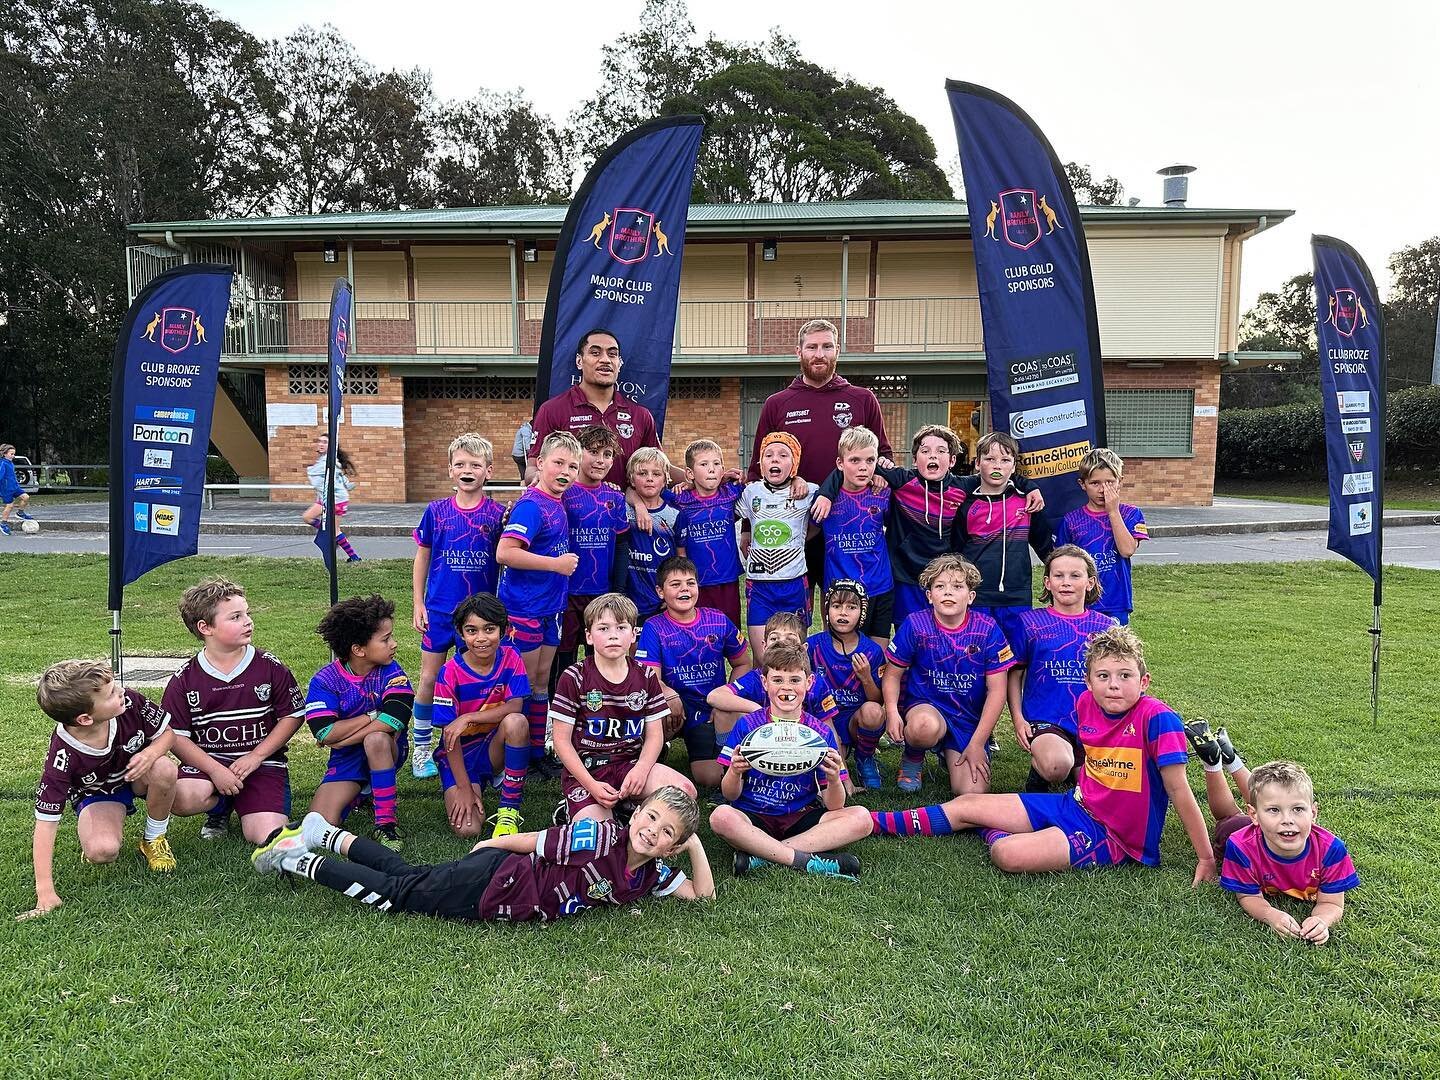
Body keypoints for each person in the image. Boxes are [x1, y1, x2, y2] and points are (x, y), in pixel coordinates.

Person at [870, 626, 1218, 889]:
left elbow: (1179, 792)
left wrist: (1205, 857)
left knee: (1007, 854)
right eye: (1104, 676)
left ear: (1144, 681)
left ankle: (999, 832)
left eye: (1125, 676)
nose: (1114, 685)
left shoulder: (1158, 719)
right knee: (967, 804)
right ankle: (874, 823)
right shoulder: (1085, 704)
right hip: (1074, 806)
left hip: (1115, 838)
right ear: (1088, 681)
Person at [251, 786, 715, 921]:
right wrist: (491, 843)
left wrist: (693, 844)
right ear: (635, 816)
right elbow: (536, 840)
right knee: (398, 896)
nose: (653, 832)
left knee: (410, 875)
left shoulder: (649, 875)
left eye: (667, 832)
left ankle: (322, 834)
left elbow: (702, 895)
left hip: (503, 889)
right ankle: (297, 857)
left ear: (670, 846)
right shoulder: (599, 836)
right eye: (651, 819)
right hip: (498, 880)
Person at [813, 424, 1039, 635]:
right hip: (906, 577)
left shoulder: (963, 486)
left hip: (942, 578)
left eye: (941, 451)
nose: (933, 455)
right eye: (925, 451)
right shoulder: (902, 481)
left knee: (941, 633)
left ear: (951, 460)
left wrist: (1031, 487)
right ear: (915, 459)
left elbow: (996, 472)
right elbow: (848, 464)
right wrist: (826, 493)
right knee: (908, 634)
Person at [747, 319, 893, 605]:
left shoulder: (862, 399)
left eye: (827, 346)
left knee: (840, 609)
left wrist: (881, 473)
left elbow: (884, 454)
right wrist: (747, 528)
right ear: (798, 352)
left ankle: (831, 652)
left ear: (837, 350)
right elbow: (757, 467)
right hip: (795, 521)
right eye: (812, 347)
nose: (819, 354)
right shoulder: (777, 403)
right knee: (795, 610)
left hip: (846, 524)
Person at [24, 661, 179, 918]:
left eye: (115, 685)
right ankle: (97, 830)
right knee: (102, 851)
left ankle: (154, 839)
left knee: (165, 769)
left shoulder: (129, 700)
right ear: (85, 719)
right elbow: (45, 823)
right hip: (100, 793)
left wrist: (150, 754)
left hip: (140, 776)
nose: (120, 692)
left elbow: (168, 735)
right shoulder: (62, 755)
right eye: (110, 694)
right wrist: (45, 893)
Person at [710, 644, 873, 881]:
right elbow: (730, 795)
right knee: (721, 817)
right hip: (754, 815)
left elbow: (834, 805)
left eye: (795, 680)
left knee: (862, 818)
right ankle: (803, 859)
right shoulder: (748, 726)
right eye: (777, 679)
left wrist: (834, 778)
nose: (786, 687)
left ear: (809, 683)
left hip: (800, 816)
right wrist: (734, 772)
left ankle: (762, 855)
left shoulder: (819, 734)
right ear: (765, 683)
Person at [165, 578, 306, 844]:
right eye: (236, 617)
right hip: (209, 766)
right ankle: (219, 807)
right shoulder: (184, 678)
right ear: (205, 627)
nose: (248, 621)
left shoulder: (269, 666)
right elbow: (176, 736)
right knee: (182, 799)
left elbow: (293, 715)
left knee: (266, 836)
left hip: (261, 764)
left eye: (247, 613)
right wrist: (216, 770)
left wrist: (256, 756)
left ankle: (250, 802)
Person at [550, 593, 696, 825]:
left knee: (685, 792)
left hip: (630, 765)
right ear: (588, 636)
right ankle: (577, 808)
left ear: (633, 634)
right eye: (603, 629)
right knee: (600, 837)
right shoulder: (574, 677)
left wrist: (641, 769)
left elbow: (655, 736)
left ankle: (627, 806)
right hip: (589, 771)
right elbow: (561, 741)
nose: (613, 636)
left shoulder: (646, 676)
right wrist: (591, 785)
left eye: (621, 627)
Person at [410, 433, 506, 780]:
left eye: (475, 465)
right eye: (461, 464)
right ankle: (422, 748)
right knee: (430, 677)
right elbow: (422, 557)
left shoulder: (498, 514)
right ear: (450, 470)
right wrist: (418, 602)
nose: (468, 470)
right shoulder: (436, 511)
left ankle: (479, 750)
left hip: (479, 616)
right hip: (439, 610)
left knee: (480, 681)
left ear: (488, 471)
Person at [883, 555, 1014, 795]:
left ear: (970, 596)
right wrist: (891, 711)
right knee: (924, 727)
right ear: (929, 596)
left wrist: (976, 744)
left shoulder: (987, 629)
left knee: (971, 793)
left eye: (957, 586)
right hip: (926, 708)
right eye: (939, 586)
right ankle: (913, 756)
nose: (948, 592)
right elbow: (892, 674)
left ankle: (951, 752)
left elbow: (997, 691)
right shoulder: (915, 624)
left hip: (967, 718)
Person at [497, 430, 581, 772]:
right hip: (524, 608)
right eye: (558, 463)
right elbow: (505, 552)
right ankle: (514, 755)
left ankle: (535, 750)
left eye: (573, 466)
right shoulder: (532, 505)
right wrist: (555, 565)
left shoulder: (556, 501)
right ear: (540, 463)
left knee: (542, 678)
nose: (565, 471)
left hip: (551, 607)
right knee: (523, 681)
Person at [304, 595, 414, 849]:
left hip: (387, 749)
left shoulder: (393, 673)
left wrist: (345, 738)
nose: (394, 644)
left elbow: (393, 720)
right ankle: (361, 793)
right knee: (321, 822)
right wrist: (372, 715)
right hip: (346, 758)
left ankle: (386, 824)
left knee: (376, 739)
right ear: (358, 649)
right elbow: (325, 732)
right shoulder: (325, 680)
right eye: (386, 639)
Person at [1006, 546, 1118, 794]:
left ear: (1090, 582)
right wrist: (1018, 719)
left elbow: (1119, 676)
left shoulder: (1107, 626)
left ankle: (1076, 764)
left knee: (1106, 789)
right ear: (1047, 582)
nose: (1066, 582)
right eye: (1058, 576)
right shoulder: (1029, 622)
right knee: (1057, 766)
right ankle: (1040, 777)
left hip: (1094, 723)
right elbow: (1014, 673)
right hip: (1046, 719)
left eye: (1075, 576)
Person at [1213, 757, 1358, 944]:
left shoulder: (1331, 849)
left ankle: (1230, 759)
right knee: (1228, 819)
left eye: (1297, 809)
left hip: (1264, 830)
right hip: (1233, 831)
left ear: (1313, 813)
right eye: (1274, 810)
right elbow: (1248, 895)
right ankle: (1213, 761)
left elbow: (1332, 903)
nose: (1287, 819)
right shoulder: (1240, 847)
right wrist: (1270, 914)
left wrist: (1322, 920)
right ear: (1254, 815)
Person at [635, 556, 751, 789]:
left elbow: (743, 663)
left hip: (707, 709)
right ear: (660, 591)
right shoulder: (654, 626)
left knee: (709, 779)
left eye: (690, 583)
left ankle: (715, 743)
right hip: (672, 708)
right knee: (650, 710)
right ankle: (653, 749)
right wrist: (670, 695)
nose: (684, 589)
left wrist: (725, 697)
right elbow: (650, 678)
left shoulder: (717, 620)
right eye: (675, 584)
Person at [430, 593, 532, 839]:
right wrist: (464, 787)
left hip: (492, 747)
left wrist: (468, 718)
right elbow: (449, 736)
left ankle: (509, 809)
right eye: (472, 630)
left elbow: (515, 706)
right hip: (457, 753)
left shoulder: (511, 656)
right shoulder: (449, 672)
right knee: (468, 829)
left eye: (489, 629)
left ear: (503, 630)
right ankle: (473, 783)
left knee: (516, 722)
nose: (481, 638)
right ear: (461, 634)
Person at [952, 431, 1054, 651]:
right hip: (976, 597)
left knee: (1016, 661)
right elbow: (956, 552)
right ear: (977, 463)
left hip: (1016, 597)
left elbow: (1046, 548)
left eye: (1005, 460)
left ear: (1014, 466)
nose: (997, 466)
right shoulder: (966, 505)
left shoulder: (1028, 503)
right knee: (976, 656)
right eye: (989, 459)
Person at [529, 328, 667, 489]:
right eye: (595, 353)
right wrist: (536, 475)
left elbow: (660, 467)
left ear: (619, 363)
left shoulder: (640, 415)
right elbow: (533, 466)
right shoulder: (552, 410)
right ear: (579, 361)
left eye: (612, 354)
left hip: (624, 510)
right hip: (571, 511)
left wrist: (692, 476)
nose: (605, 360)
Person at [555, 425, 631, 688]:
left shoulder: (614, 496)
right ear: (579, 453)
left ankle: (594, 711)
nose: (601, 460)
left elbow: (622, 545)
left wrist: (618, 591)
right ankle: (559, 714)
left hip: (601, 594)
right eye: (593, 451)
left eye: (608, 454)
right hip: (566, 592)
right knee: (562, 659)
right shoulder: (563, 492)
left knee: (598, 659)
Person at [738, 432, 818, 657]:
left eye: (784, 455)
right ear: (760, 463)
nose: (775, 459)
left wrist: (800, 538)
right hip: (759, 585)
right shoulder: (750, 491)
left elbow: (822, 516)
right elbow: (721, 501)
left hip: (793, 583)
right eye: (768, 455)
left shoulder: (808, 491)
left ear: (794, 464)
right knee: (762, 656)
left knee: (796, 654)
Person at [707, 611, 841, 744]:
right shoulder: (756, 678)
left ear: (804, 648)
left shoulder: (815, 683)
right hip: (763, 738)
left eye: (790, 639)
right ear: (764, 646)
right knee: (723, 711)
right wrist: (758, 711)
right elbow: (714, 696)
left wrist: (839, 764)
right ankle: (728, 761)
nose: (781, 644)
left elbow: (830, 730)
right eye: (774, 639)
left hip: (804, 742)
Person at [1053, 448, 1148, 624]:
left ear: (1120, 482)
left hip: (1115, 602)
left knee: (1113, 650)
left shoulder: (1130, 514)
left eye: (1110, 482)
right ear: (1083, 484)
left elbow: (1127, 550)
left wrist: (1112, 511)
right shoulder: (1071, 520)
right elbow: (1060, 563)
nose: (1103, 490)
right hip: (1081, 602)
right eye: (1095, 483)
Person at [807, 581, 887, 790]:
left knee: (873, 712)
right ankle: (839, 755)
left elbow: (877, 701)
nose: (843, 613)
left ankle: (865, 758)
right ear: (827, 610)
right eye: (836, 606)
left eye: (851, 607)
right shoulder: (812, 646)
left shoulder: (872, 651)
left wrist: (866, 677)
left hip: (854, 720)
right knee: (833, 778)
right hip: (824, 720)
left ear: (862, 612)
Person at [817, 426, 893, 643]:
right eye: (855, 460)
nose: (863, 468)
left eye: (870, 461)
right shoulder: (825, 500)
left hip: (880, 587)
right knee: (843, 658)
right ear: (840, 463)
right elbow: (805, 535)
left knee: (877, 657)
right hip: (842, 593)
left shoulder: (883, 494)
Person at [666, 439, 746, 629]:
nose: (712, 469)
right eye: (704, 464)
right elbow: (646, 492)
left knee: (729, 633)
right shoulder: (680, 498)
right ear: (690, 473)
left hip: (727, 581)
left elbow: (759, 490)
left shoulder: (731, 492)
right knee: (700, 632)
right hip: (696, 583)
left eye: (716, 464)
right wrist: (684, 484)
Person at [622, 447, 679, 626]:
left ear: (665, 480)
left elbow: (680, 558)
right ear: (631, 478)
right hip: (629, 598)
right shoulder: (621, 508)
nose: (649, 478)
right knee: (631, 649)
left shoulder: (675, 514)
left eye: (656, 474)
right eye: (642, 473)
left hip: (661, 600)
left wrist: (673, 592)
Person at [302, 432, 360, 563]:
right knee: (308, 517)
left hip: (336, 500)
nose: (321, 444)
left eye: (325, 442)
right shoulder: (326, 459)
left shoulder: (329, 461)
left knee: (334, 530)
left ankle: (354, 557)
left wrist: (310, 471)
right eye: (319, 441)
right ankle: (331, 535)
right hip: (325, 498)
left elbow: (317, 475)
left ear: (332, 446)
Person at [0, 443, 35, 535]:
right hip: (6, 489)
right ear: (4, 454)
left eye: (14, 454)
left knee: (26, 497)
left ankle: (20, 513)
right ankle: (3, 523)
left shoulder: (10, 462)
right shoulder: (3, 463)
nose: (13, 456)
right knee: (10, 506)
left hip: (15, 487)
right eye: (11, 454)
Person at [511, 418, 534, 482]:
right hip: (520, 455)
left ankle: (523, 490)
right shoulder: (526, 430)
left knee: (523, 476)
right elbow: (527, 446)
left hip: (516, 455)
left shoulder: (525, 428)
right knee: (531, 472)